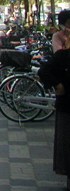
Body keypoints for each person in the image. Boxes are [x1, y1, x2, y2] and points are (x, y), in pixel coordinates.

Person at [38, 49, 70, 189]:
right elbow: (44, 71)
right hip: (67, 108)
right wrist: (58, 85)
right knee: (67, 146)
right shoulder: (64, 56)